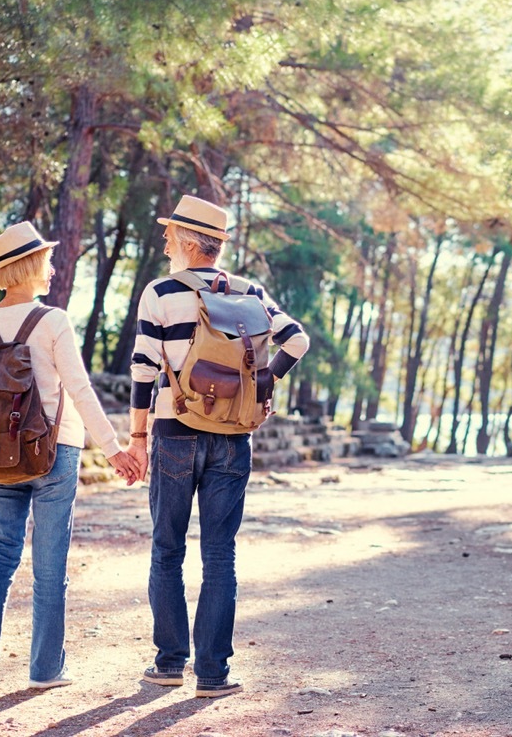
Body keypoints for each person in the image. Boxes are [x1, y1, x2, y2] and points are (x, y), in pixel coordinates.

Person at [128, 195, 309, 698]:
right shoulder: (251, 292)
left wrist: (137, 437)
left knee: (167, 550)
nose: (165, 243)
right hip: (233, 437)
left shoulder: (160, 292)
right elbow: (297, 340)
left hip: (174, 430)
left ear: (189, 242)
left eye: (169, 236)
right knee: (219, 555)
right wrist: (265, 382)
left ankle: (168, 664)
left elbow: (144, 369)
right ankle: (213, 674)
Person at [0, 220, 142, 693]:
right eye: (47, 260)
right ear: (31, 266)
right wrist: (114, 449)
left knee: (0, 553)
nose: (53, 268)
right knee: (50, 565)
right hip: (54, 453)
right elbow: (78, 390)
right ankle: (45, 670)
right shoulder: (52, 321)